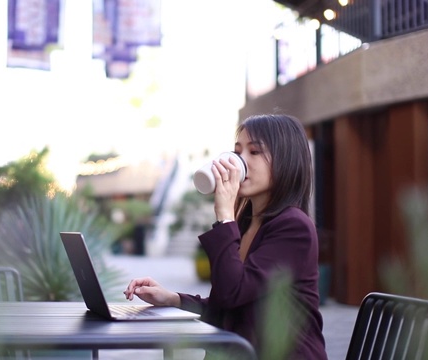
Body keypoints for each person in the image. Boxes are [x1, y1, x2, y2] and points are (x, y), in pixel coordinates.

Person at [124, 114, 327, 359]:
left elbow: (232, 293)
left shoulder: (294, 227)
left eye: (254, 152)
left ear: (286, 160)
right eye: (238, 151)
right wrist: (172, 299)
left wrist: (224, 214)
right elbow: (228, 305)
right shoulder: (246, 223)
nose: (240, 161)